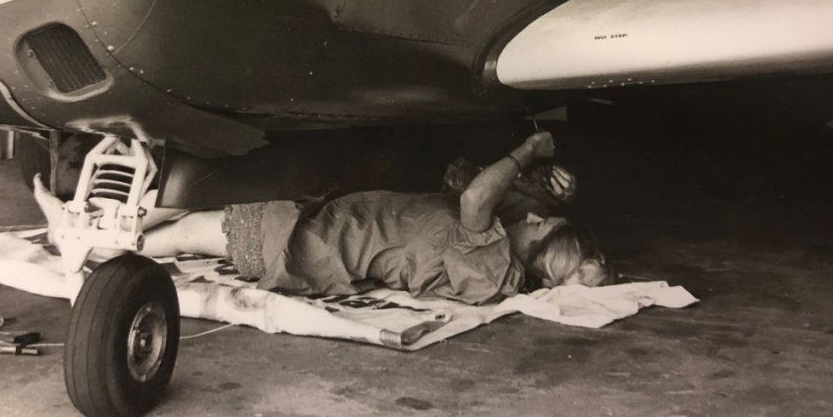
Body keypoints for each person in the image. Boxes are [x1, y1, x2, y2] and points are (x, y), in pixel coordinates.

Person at [34, 131, 612, 307]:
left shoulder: (490, 257)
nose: (533, 215)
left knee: (186, 230)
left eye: (541, 222)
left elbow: (473, 201)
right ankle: (94, 229)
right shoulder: (500, 262)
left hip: (305, 241)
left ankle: (79, 239)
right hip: (321, 234)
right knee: (191, 222)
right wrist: (553, 193)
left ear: (537, 241)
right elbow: (466, 184)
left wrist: (529, 154)